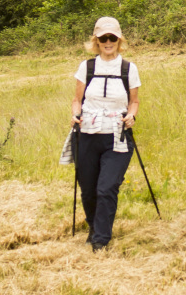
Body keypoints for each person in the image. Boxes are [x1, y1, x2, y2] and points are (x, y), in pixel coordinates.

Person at [71, 17, 140, 253]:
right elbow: (76, 100)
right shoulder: (87, 67)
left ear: (119, 40)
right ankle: (93, 227)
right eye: (103, 38)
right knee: (88, 189)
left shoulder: (128, 68)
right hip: (88, 133)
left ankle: (101, 238)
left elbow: (134, 102)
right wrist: (75, 114)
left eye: (112, 38)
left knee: (107, 187)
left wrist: (132, 116)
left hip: (117, 135)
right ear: (96, 41)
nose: (108, 42)